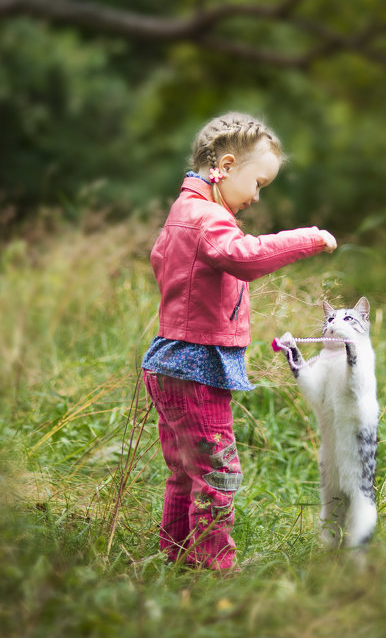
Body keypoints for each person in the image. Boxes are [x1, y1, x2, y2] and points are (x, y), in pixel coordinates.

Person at [142, 112, 337, 571]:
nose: (256, 196)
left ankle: (176, 557)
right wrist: (310, 237)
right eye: (258, 183)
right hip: (196, 367)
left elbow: (158, 258)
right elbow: (242, 256)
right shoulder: (208, 219)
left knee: (187, 473)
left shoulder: (182, 211)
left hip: (171, 361)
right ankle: (214, 568)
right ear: (225, 167)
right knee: (218, 474)